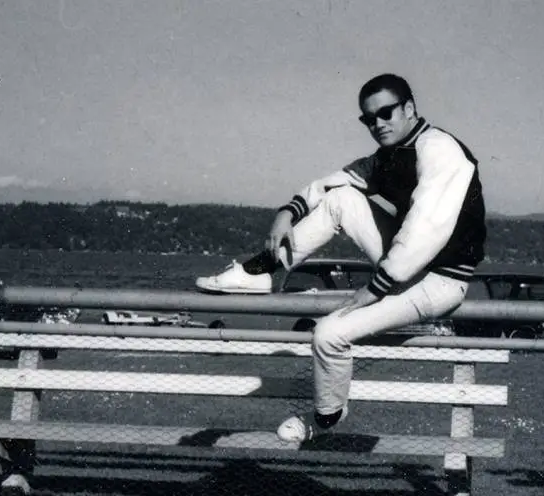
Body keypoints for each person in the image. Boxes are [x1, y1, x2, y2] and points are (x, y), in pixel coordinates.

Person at [195, 73, 487, 442]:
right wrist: (287, 211)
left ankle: (326, 417)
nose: (378, 124)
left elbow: (425, 227)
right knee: (341, 199)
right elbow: (334, 184)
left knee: (329, 334)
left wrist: (376, 288)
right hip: (409, 271)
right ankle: (261, 272)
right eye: (369, 119)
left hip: (441, 281)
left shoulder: (440, 149)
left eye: (386, 113)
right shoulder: (388, 156)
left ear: (410, 108)